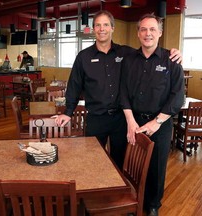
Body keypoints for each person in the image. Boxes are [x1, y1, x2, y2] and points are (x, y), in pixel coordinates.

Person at [55, 10, 182, 170]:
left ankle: (116, 191)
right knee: (92, 160)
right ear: (94, 29)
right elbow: (74, 85)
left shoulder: (127, 53)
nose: (102, 29)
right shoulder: (83, 57)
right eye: (98, 25)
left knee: (120, 162)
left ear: (112, 28)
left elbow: (146, 53)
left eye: (106, 25)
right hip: (96, 118)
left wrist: (174, 53)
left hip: (120, 119)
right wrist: (68, 111)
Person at [120, 13, 184, 216]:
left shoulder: (172, 60)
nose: (148, 33)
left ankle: (154, 204)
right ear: (138, 33)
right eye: (143, 29)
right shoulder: (129, 60)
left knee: (156, 167)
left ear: (160, 33)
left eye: (152, 29)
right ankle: (133, 199)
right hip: (134, 121)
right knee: (131, 163)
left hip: (161, 123)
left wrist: (157, 122)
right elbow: (122, 91)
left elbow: (177, 97)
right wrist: (130, 120)